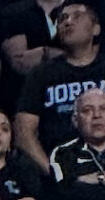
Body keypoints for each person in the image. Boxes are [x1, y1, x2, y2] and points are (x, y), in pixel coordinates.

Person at [19, 0, 105, 153]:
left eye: (77, 16)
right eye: (62, 19)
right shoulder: (41, 74)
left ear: (96, 29)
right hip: (59, 166)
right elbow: (24, 131)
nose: (67, 22)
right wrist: (54, 172)